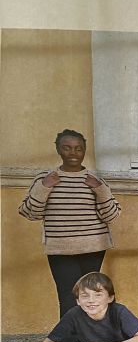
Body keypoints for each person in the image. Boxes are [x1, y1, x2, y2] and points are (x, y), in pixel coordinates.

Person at [19, 128, 121, 317]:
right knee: (68, 297)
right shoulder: (44, 179)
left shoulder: (95, 180)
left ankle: (90, 337)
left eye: (78, 148)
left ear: (84, 150)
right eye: (67, 148)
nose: (73, 153)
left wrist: (100, 190)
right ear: (58, 149)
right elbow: (30, 212)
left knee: (91, 295)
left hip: (93, 247)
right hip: (61, 249)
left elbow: (112, 216)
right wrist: (44, 188)